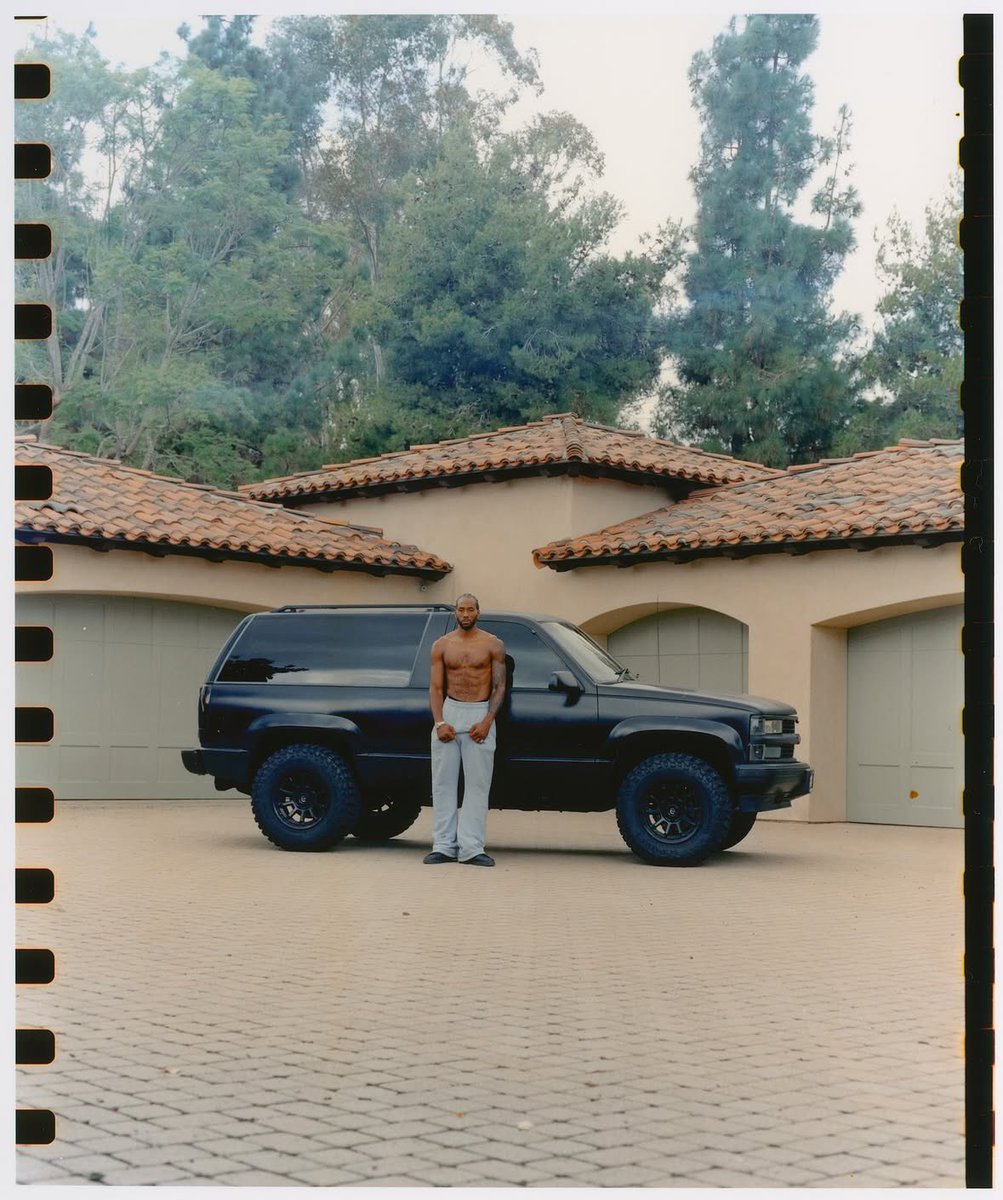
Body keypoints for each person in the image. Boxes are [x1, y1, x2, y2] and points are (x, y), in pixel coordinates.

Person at [424, 594, 506, 866]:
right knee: (443, 783)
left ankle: (472, 848)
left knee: (477, 785)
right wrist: (439, 722)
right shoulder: (441, 645)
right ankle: (444, 845)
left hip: (479, 713)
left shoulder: (493, 644)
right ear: (455, 613)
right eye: (461, 609)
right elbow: (435, 687)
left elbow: (499, 686)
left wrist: (487, 720)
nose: (466, 614)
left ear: (478, 612)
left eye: (471, 609)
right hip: (449, 712)